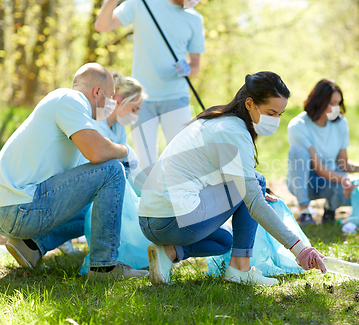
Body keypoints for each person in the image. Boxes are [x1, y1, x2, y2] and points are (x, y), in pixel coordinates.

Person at [138, 71, 327, 286]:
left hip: (150, 220)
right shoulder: (234, 131)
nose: (275, 120)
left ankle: (169, 253)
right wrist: (299, 248)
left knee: (225, 241)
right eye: (271, 113)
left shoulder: (216, 120)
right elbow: (254, 202)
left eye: (279, 115)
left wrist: (249, 193)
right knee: (256, 181)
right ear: (249, 103)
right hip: (172, 220)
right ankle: (240, 270)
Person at [0, 63, 147, 279]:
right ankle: (103, 267)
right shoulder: (70, 100)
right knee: (112, 170)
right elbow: (97, 153)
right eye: (109, 96)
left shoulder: (69, 112)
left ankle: (30, 245)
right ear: (97, 92)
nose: (110, 103)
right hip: (18, 208)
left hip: (14, 207)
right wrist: (126, 151)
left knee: (97, 203)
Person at [95, 0, 205, 170]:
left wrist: (188, 68)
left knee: (182, 161)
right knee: (145, 166)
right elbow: (103, 26)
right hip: (141, 101)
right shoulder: (142, 4)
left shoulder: (195, 19)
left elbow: (196, 64)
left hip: (177, 97)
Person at [78, 72, 152, 273]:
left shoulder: (118, 128)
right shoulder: (97, 124)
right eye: (134, 109)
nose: (134, 116)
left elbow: (131, 165)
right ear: (119, 100)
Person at [286, 79, 359, 226]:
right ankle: (304, 210)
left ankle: (330, 208)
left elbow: (342, 163)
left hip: (330, 180)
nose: (335, 108)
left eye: (338, 103)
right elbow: (318, 168)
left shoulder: (341, 124)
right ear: (318, 101)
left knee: (354, 190)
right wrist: (344, 179)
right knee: (297, 151)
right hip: (306, 182)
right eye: (331, 103)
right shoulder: (298, 125)